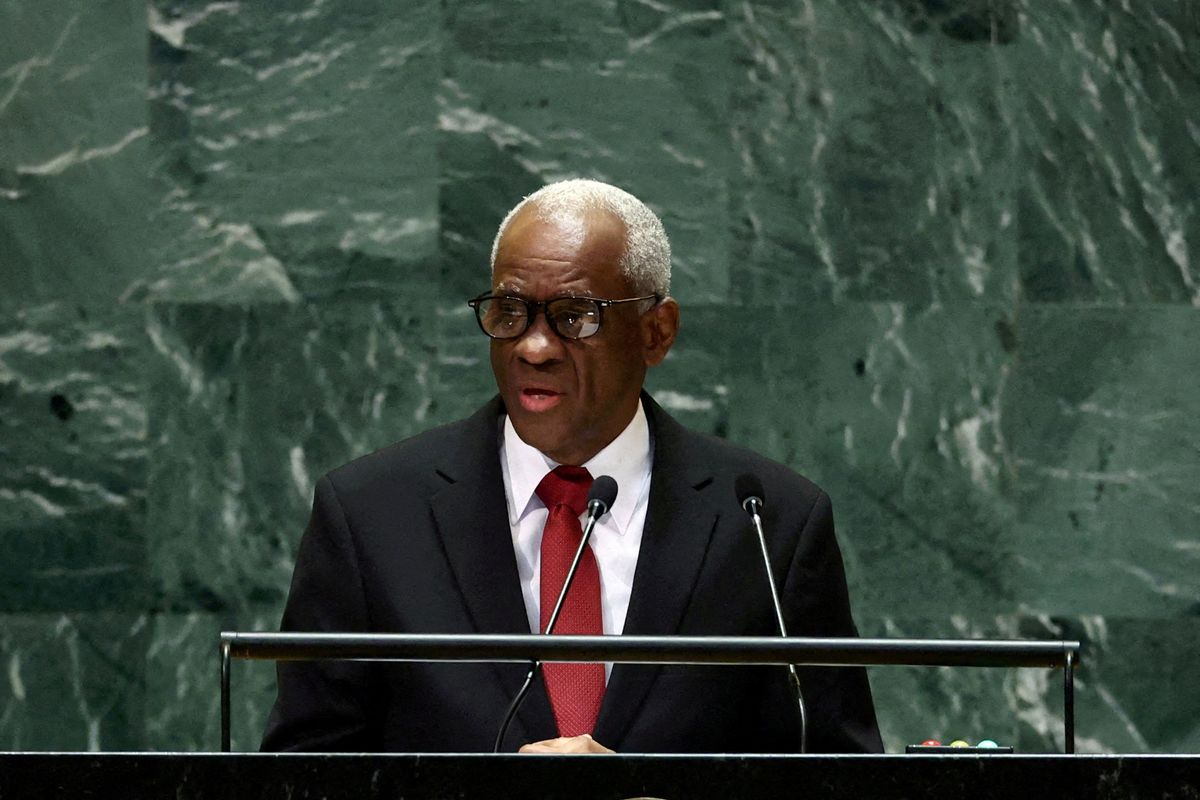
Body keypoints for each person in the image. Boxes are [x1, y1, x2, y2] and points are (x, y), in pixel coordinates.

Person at [261, 179, 882, 754]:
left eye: (574, 317)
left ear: (655, 332)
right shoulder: (373, 515)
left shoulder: (768, 524)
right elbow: (303, 777)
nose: (533, 347)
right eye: (509, 312)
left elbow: (834, 776)